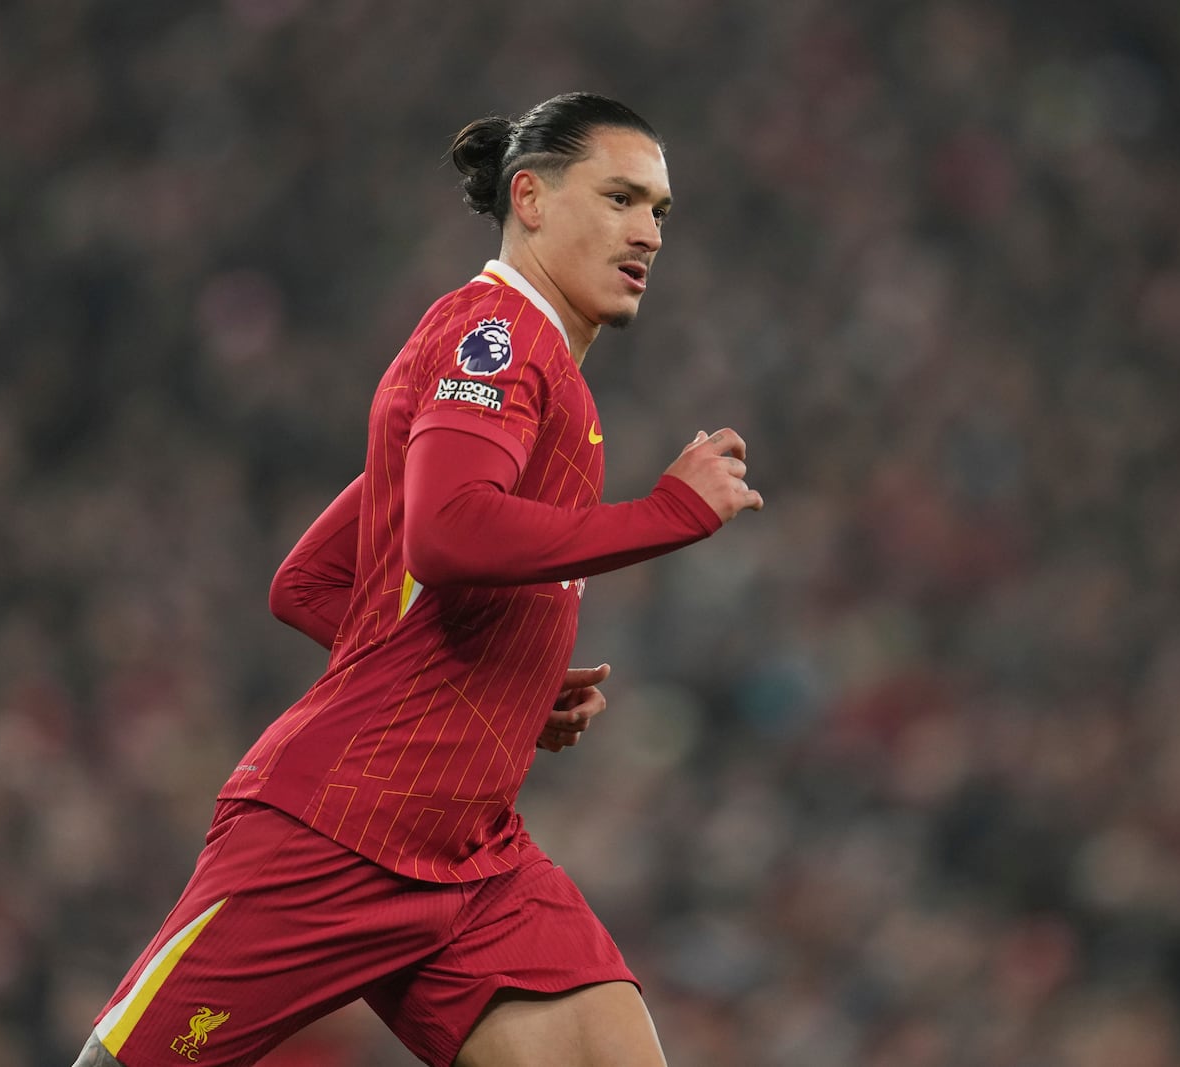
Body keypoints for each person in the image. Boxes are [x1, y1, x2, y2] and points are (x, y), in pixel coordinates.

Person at [73, 91, 763, 1067]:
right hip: (342, 829)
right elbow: (444, 533)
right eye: (619, 198)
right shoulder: (496, 337)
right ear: (529, 197)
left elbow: (311, 580)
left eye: (659, 209)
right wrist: (670, 514)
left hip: (469, 852)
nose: (648, 230)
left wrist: (502, 689)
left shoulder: (539, 374)